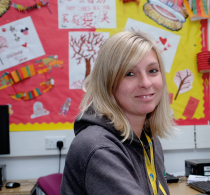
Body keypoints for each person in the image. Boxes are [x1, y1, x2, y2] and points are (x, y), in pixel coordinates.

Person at [61, 30, 174, 195]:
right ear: (108, 83)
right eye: (129, 73)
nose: (145, 82)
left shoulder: (148, 139)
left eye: (153, 71)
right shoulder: (99, 148)